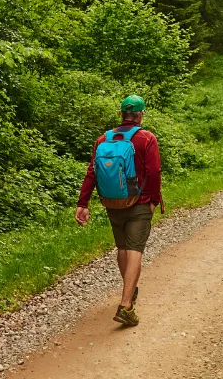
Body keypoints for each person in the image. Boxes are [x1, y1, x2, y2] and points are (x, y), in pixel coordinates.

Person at [76, 95, 163, 327]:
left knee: (123, 248)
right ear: (140, 115)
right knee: (135, 250)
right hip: (139, 202)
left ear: (122, 114)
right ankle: (126, 305)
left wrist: (83, 203)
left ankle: (129, 291)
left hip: (112, 202)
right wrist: (154, 200)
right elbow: (154, 172)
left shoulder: (103, 139)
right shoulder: (146, 138)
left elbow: (92, 172)